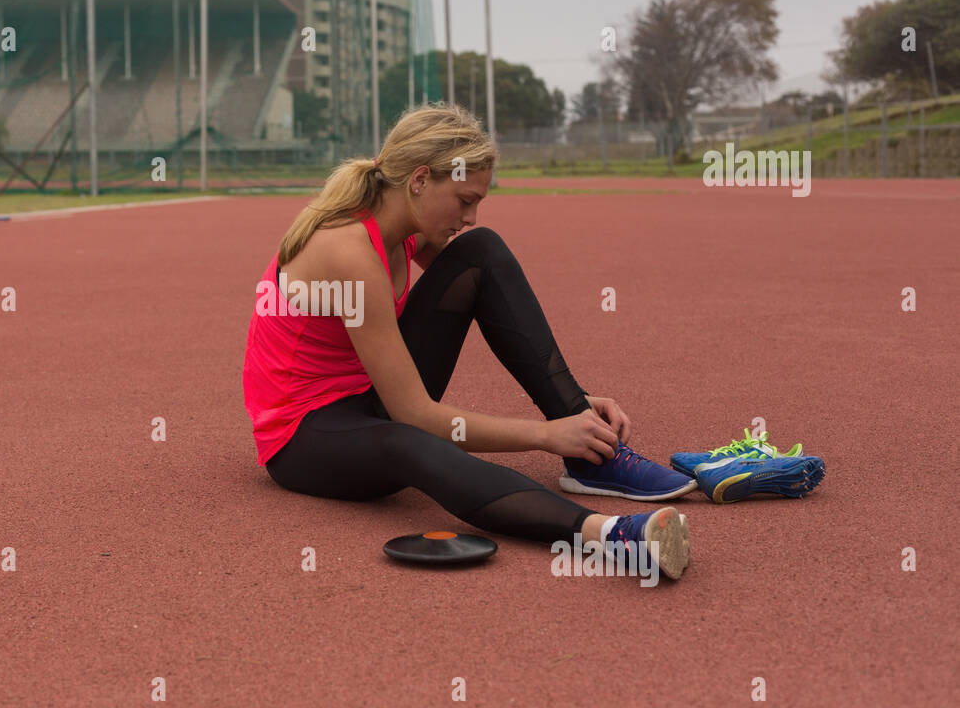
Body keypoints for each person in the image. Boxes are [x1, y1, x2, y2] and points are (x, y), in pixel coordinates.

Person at [242, 103, 693, 579]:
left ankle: (589, 451)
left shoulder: (405, 226)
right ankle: (615, 536)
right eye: (464, 200)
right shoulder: (346, 248)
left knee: (482, 251)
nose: (471, 214)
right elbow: (414, 413)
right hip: (302, 437)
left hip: (364, 399)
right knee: (413, 442)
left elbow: (486, 286)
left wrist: (572, 405)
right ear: (419, 179)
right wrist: (542, 436)